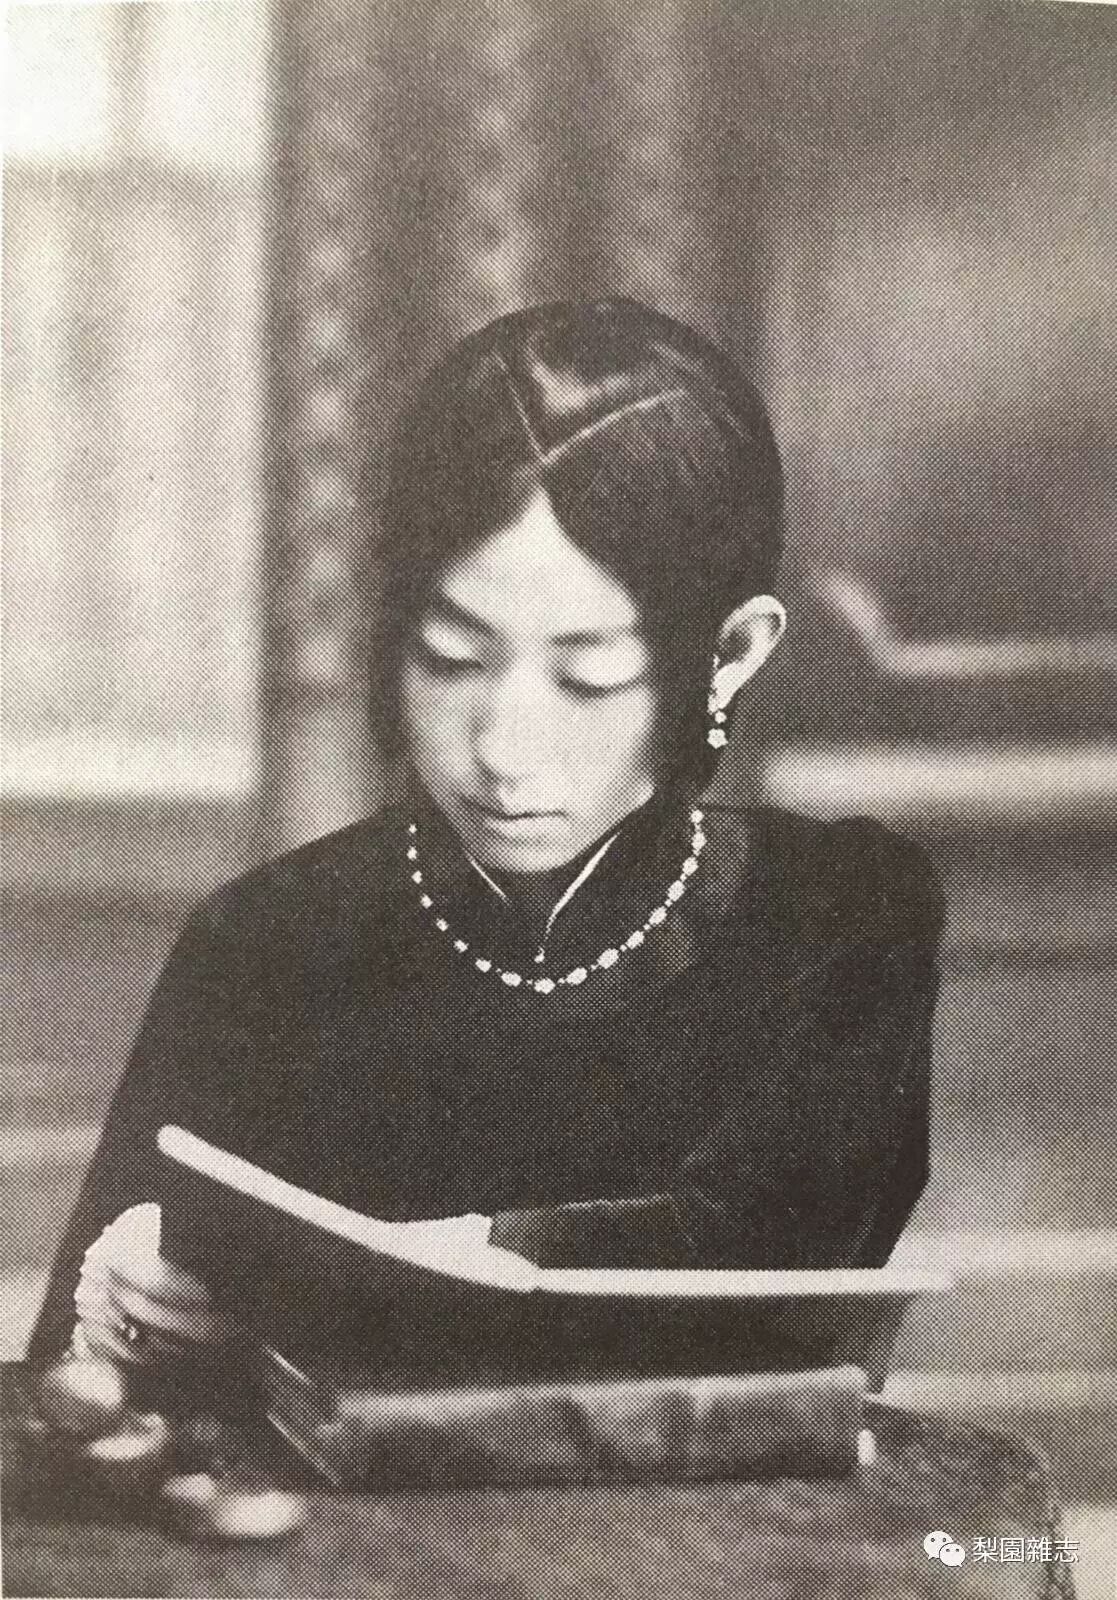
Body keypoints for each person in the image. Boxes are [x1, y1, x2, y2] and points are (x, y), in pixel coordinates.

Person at [29, 296, 943, 1370]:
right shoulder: (267, 941)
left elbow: (769, 1250)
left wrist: (314, 1300)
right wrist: (127, 1312)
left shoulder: (838, 916)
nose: (503, 746)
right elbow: (75, 1387)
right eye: (453, 658)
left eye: (586, 676)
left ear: (730, 654)